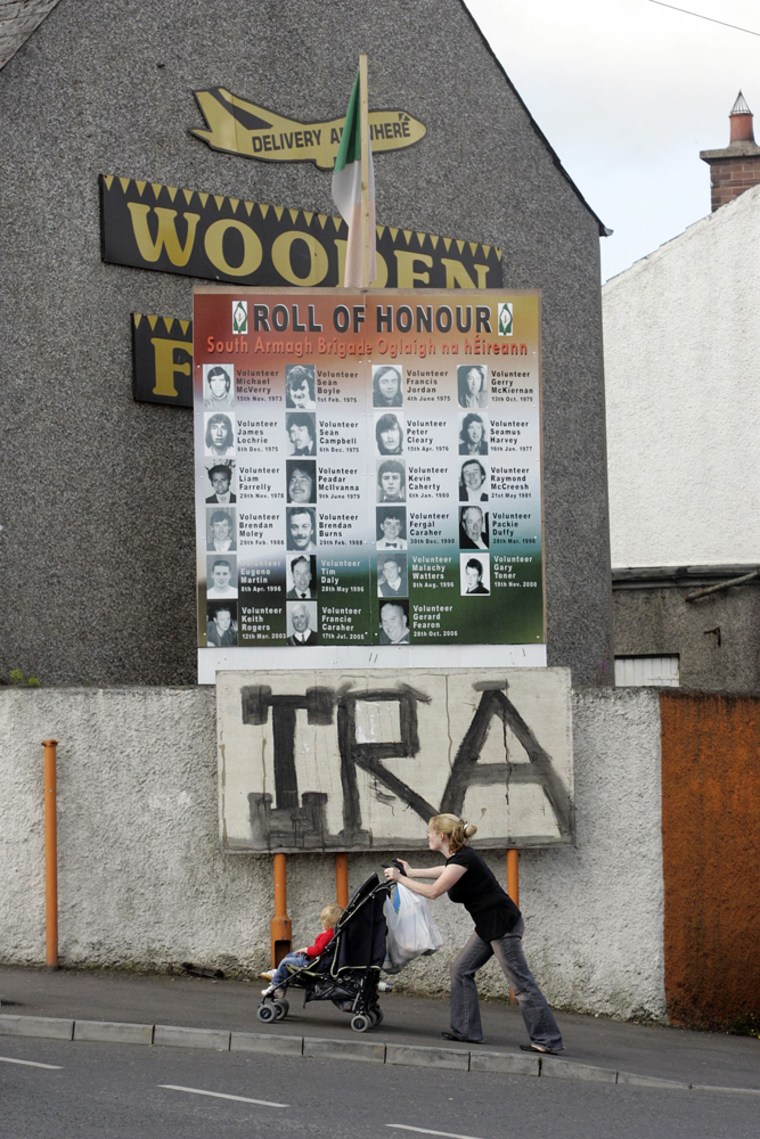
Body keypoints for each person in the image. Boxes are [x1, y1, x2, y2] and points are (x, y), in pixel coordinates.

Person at [383, 814, 564, 1053]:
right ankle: (466, 1031)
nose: (427, 836)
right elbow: (445, 870)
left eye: (430, 832)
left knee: (520, 982)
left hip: (501, 924)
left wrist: (401, 879)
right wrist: (411, 872)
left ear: (442, 836)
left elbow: (434, 892)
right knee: (461, 969)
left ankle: (547, 1039)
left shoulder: (463, 859)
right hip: (488, 925)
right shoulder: (458, 859)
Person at [260, 903, 343, 996]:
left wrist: (305, 950)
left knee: (286, 961)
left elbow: (318, 950)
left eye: (323, 922)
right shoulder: (333, 934)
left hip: (312, 964)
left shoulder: (328, 935)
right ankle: (277, 973)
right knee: (291, 956)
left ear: (327, 924)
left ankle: (276, 986)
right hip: (314, 961)